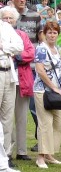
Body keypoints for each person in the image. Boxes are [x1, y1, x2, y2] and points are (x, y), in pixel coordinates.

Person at [0, 6, 35, 162]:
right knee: (5, 117)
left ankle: (16, 152)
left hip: (19, 79)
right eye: (4, 18)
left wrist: (11, 52)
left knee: (18, 117)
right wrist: (12, 52)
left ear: (16, 20)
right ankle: (6, 152)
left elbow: (28, 52)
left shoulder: (20, 35)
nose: (8, 21)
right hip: (4, 75)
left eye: (10, 18)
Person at [11, 0, 42, 153]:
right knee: (10, 111)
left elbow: (40, 38)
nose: (23, 0)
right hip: (13, 70)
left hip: (32, 69)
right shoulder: (7, 18)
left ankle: (41, 140)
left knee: (34, 108)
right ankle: (10, 147)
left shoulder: (35, 16)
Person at [33, 21, 61, 168]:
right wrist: (54, 87)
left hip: (56, 91)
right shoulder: (41, 49)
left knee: (57, 123)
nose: (52, 35)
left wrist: (60, 88)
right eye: (49, 32)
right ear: (44, 34)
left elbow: (58, 70)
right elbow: (40, 70)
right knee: (45, 123)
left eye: (55, 32)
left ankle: (49, 154)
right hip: (43, 90)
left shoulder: (56, 49)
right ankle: (40, 157)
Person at [0, 16, 24, 168]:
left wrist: (3, 47)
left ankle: (6, 156)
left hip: (9, 74)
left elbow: (19, 46)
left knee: (7, 118)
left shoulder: (6, 27)